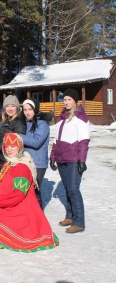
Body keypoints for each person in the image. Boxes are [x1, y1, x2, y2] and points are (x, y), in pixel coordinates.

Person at [0, 133, 59, 252]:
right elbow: (4, 189)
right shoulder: (9, 164)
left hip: (20, 209)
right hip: (8, 203)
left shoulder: (22, 167)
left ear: (19, 148)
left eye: (13, 146)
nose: (9, 149)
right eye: (7, 146)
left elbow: (18, 195)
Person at [50, 88, 90, 234]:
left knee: (73, 189)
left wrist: (82, 160)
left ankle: (79, 222)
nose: (66, 102)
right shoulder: (61, 118)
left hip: (73, 159)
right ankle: (70, 216)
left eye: (69, 99)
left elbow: (84, 141)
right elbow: (55, 140)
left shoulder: (81, 118)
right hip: (61, 158)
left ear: (75, 101)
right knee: (67, 188)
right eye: (64, 99)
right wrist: (52, 157)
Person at [19, 98, 50, 210]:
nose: (27, 112)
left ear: (35, 110)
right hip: (27, 161)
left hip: (38, 162)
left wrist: (19, 136)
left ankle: (38, 217)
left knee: (34, 191)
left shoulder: (42, 124)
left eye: (30, 109)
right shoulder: (26, 123)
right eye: (25, 109)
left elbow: (36, 142)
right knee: (27, 191)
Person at [0, 95, 26, 170]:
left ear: (17, 107)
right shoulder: (4, 120)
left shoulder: (18, 122)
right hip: (1, 159)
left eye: (13, 106)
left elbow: (17, 144)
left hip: (11, 161)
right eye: (7, 106)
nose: (10, 109)